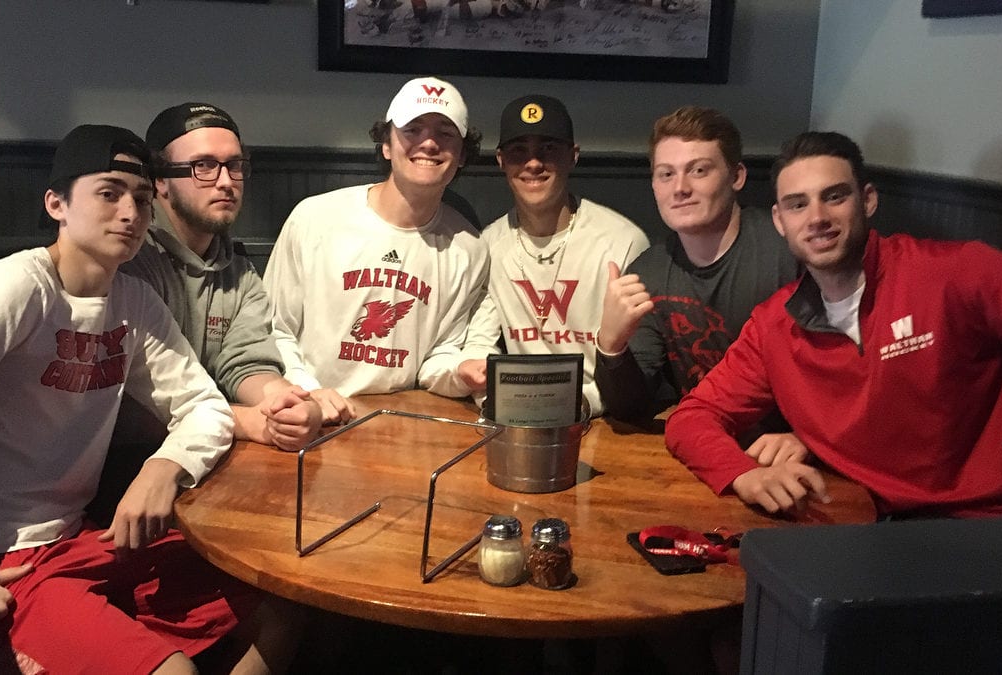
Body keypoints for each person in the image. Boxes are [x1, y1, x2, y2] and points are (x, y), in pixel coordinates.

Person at [0, 125, 298, 673]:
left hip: (80, 540)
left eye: (140, 197)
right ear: (57, 203)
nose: (130, 212)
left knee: (284, 604)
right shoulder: (15, 288)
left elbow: (202, 405)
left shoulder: (133, 299)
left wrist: (166, 466)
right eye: (108, 193)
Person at [666, 131, 1002, 519]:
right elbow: (692, 419)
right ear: (780, 221)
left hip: (993, 521)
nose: (817, 218)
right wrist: (743, 475)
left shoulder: (956, 273)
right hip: (870, 525)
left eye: (834, 196)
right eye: (797, 205)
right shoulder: (773, 326)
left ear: (867, 200)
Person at [122, 103, 352, 452]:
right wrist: (247, 422)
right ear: (160, 181)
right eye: (204, 166)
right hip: (118, 467)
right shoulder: (131, 262)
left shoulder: (239, 272)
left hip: (204, 451)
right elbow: (134, 402)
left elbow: (247, 364)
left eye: (234, 165)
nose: (226, 182)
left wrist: (285, 402)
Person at [593, 106, 802, 454]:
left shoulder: (786, 250)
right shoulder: (649, 272)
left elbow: (843, 369)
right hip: (706, 444)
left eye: (699, 170)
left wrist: (807, 438)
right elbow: (629, 408)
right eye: (665, 174)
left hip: (793, 451)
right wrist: (611, 346)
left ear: (736, 176)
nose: (680, 188)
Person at [263, 77, 489, 397]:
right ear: (386, 144)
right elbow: (275, 332)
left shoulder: (469, 247)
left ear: (463, 153)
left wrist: (461, 374)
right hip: (307, 412)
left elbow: (440, 354)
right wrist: (309, 395)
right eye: (413, 130)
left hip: (398, 421)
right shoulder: (313, 218)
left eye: (445, 132)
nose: (429, 143)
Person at [456, 94, 649, 416]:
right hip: (516, 413)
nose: (533, 163)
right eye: (520, 151)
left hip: (604, 416)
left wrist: (577, 404)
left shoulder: (622, 241)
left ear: (572, 156)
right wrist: (482, 382)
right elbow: (479, 342)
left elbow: (641, 364)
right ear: (501, 160)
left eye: (548, 149)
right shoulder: (488, 245)